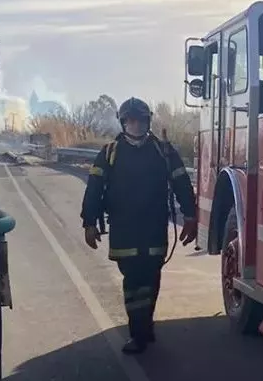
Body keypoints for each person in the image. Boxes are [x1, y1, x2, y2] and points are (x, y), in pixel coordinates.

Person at [80, 96, 198, 354]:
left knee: (152, 278)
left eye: (141, 120)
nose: (136, 125)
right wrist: (89, 222)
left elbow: (181, 183)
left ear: (148, 121)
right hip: (125, 231)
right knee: (134, 281)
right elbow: (94, 190)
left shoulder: (163, 151)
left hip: (155, 227)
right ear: (123, 123)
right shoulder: (109, 153)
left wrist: (190, 216)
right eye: (131, 121)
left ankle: (144, 326)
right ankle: (139, 333)